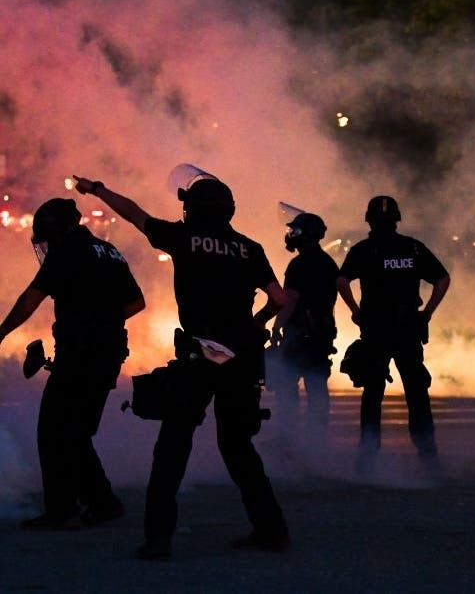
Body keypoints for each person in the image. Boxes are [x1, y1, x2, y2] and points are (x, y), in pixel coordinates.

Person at [73, 173, 289, 559]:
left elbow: (135, 215)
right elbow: (279, 298)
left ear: (193, 208)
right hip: (240, 356)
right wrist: (258, 321)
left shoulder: (184, 238)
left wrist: (99, 190)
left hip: (201, 353)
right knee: (238, 447)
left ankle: (159, 538)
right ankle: (271, 529)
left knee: (173, 445)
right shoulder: (250, 248)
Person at [0, 197, 145, 529]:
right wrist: (105, 321)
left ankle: (61, 510)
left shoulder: (66, 252)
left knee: (53, 431)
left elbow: (30, 299)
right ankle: (103, 503)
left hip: (79, 355)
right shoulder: (109, 251)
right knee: (76, 432)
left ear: (58, 230)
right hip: (108, 355)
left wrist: (2, 331)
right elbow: (137, 302)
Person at [336, 196, 450, 473]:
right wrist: (427, 313)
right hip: (407, 329)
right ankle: (428, 456)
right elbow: (442, 279)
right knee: (416, 391)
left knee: (373, 392)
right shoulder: (412, 248)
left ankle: (367, 458)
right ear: (397, 219)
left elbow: (341, 280)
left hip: (376, 329)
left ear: (369, 221)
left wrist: (354, 311)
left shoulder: (364, 249)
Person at [270, 212, 339, 441]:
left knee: (287, 384)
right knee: (317, 385)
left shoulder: (299, 264)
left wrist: (278, 324)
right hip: (323, 331)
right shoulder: (329, 263)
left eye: (296, 231)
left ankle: (287, 437)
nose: (291, 235)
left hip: (299, 333)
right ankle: (316, 438)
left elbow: (290, 299)